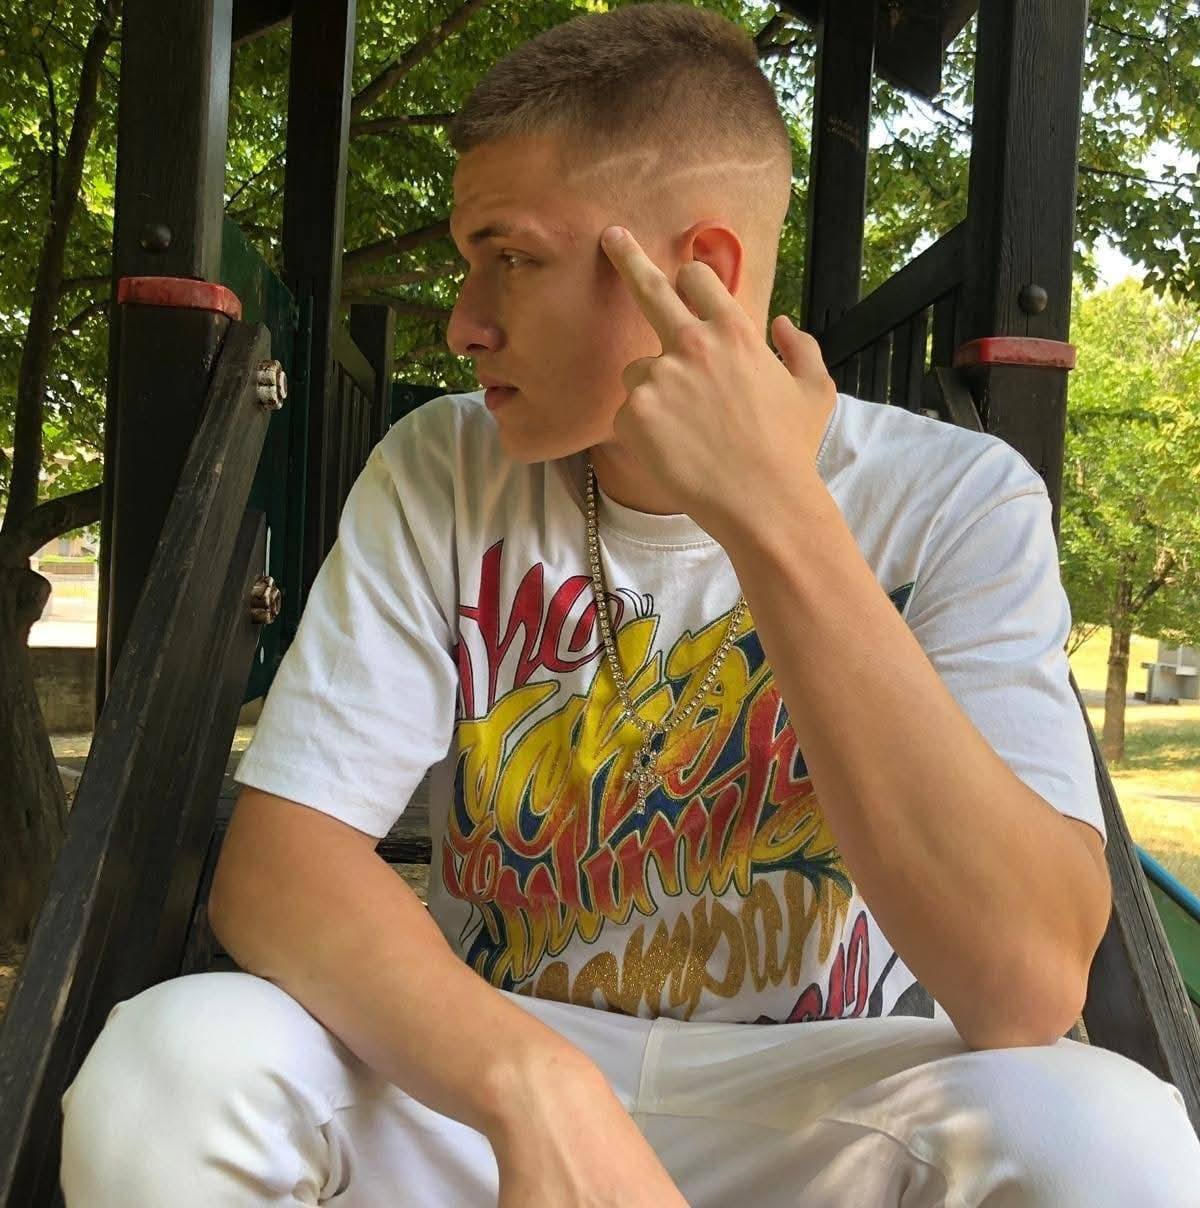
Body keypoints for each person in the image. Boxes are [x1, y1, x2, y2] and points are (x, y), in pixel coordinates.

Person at [60, 4, 1199, 1205]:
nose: (463, 321)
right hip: (497, 1064)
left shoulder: (956, 497)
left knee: (1114, 1135)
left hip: (827, 1094)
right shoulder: (443, 465)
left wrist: (772, 506)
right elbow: (280, 868)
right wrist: (534, 1087)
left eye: (511, 257)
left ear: (699, 272)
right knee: (171, 1068)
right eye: (468, 261)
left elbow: (1025, 985)